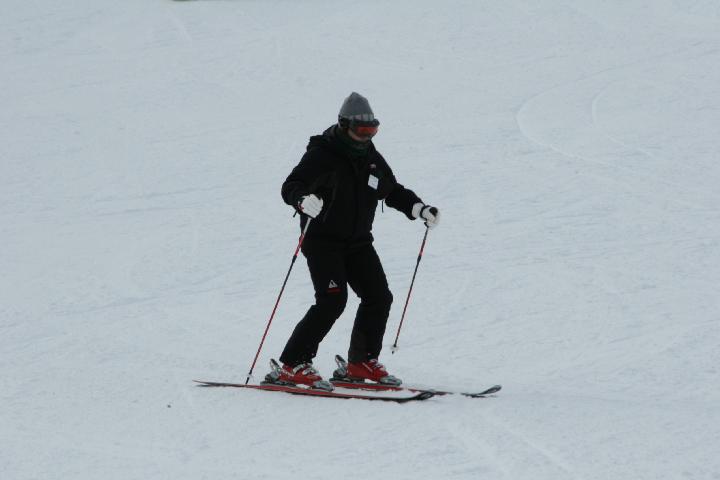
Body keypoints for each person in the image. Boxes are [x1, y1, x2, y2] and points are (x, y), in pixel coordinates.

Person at [271, 92, 439, 391]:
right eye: (362, 130)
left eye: (372, 130)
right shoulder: (322, 154)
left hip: (358, 242)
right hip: (322, 242)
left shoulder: (370, 157)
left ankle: (361, 362)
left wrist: (418, 208)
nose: (367, 136)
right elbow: (291, 185)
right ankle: (293, 364)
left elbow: (391, 190)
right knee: (332, 301)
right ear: (344, 125)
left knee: (379, 297)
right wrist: (302, 200)